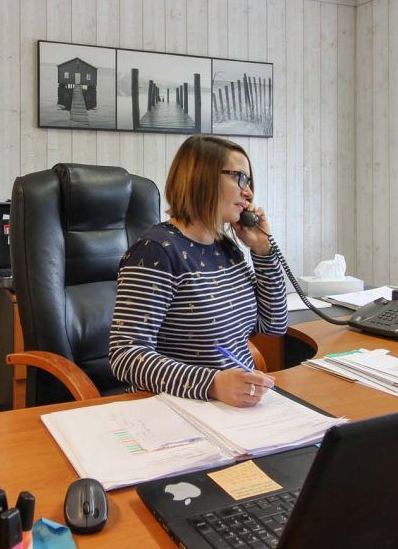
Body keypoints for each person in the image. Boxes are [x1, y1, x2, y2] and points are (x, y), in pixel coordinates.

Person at [109, 135, 288, 408]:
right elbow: (127, 355)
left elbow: (273, 325)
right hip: (173, 406)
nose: (248, 193)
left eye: (249, 181)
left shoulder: (225, 247)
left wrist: (263, 250)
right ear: (202, 177)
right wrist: (213, 384)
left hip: (232, 406)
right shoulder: (156, 251)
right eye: (239, 178)